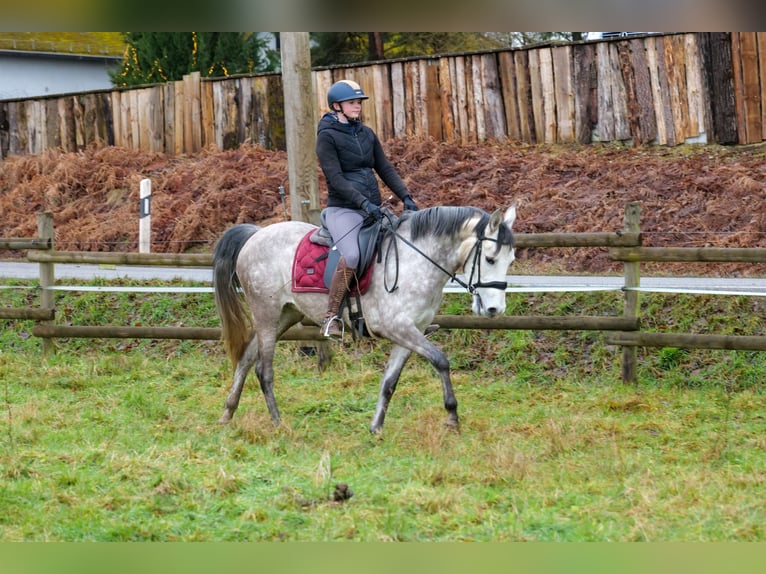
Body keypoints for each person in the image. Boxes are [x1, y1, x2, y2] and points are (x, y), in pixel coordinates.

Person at [316, 79, 419, 339]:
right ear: (337, 106)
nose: (357, 107)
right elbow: (335, 179)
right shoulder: (326, 137)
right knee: (351, 256)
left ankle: (405, 316)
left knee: (400, 246)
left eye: (359, 102)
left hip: (372, 207)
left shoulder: (366, 134)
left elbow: (384, 168)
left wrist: (405, 196)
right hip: (344, 210)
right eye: (352, 103)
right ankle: (331, 317)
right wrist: (363, 203)